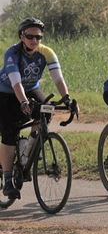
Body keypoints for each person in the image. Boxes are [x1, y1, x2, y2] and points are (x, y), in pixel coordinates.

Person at [0, 18, 74, 200]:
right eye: (30, 36)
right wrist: (24, 102)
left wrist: (67, 99)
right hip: (6, 92)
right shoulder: (12, 53)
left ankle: (28, 149)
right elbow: (16, 82)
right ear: (21, 36)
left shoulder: (46, 52)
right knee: (9, 131)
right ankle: (7, 179)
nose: (34, 40)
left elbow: (58, 78)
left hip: (31, 88)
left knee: (46, 112)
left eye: (38, 37)